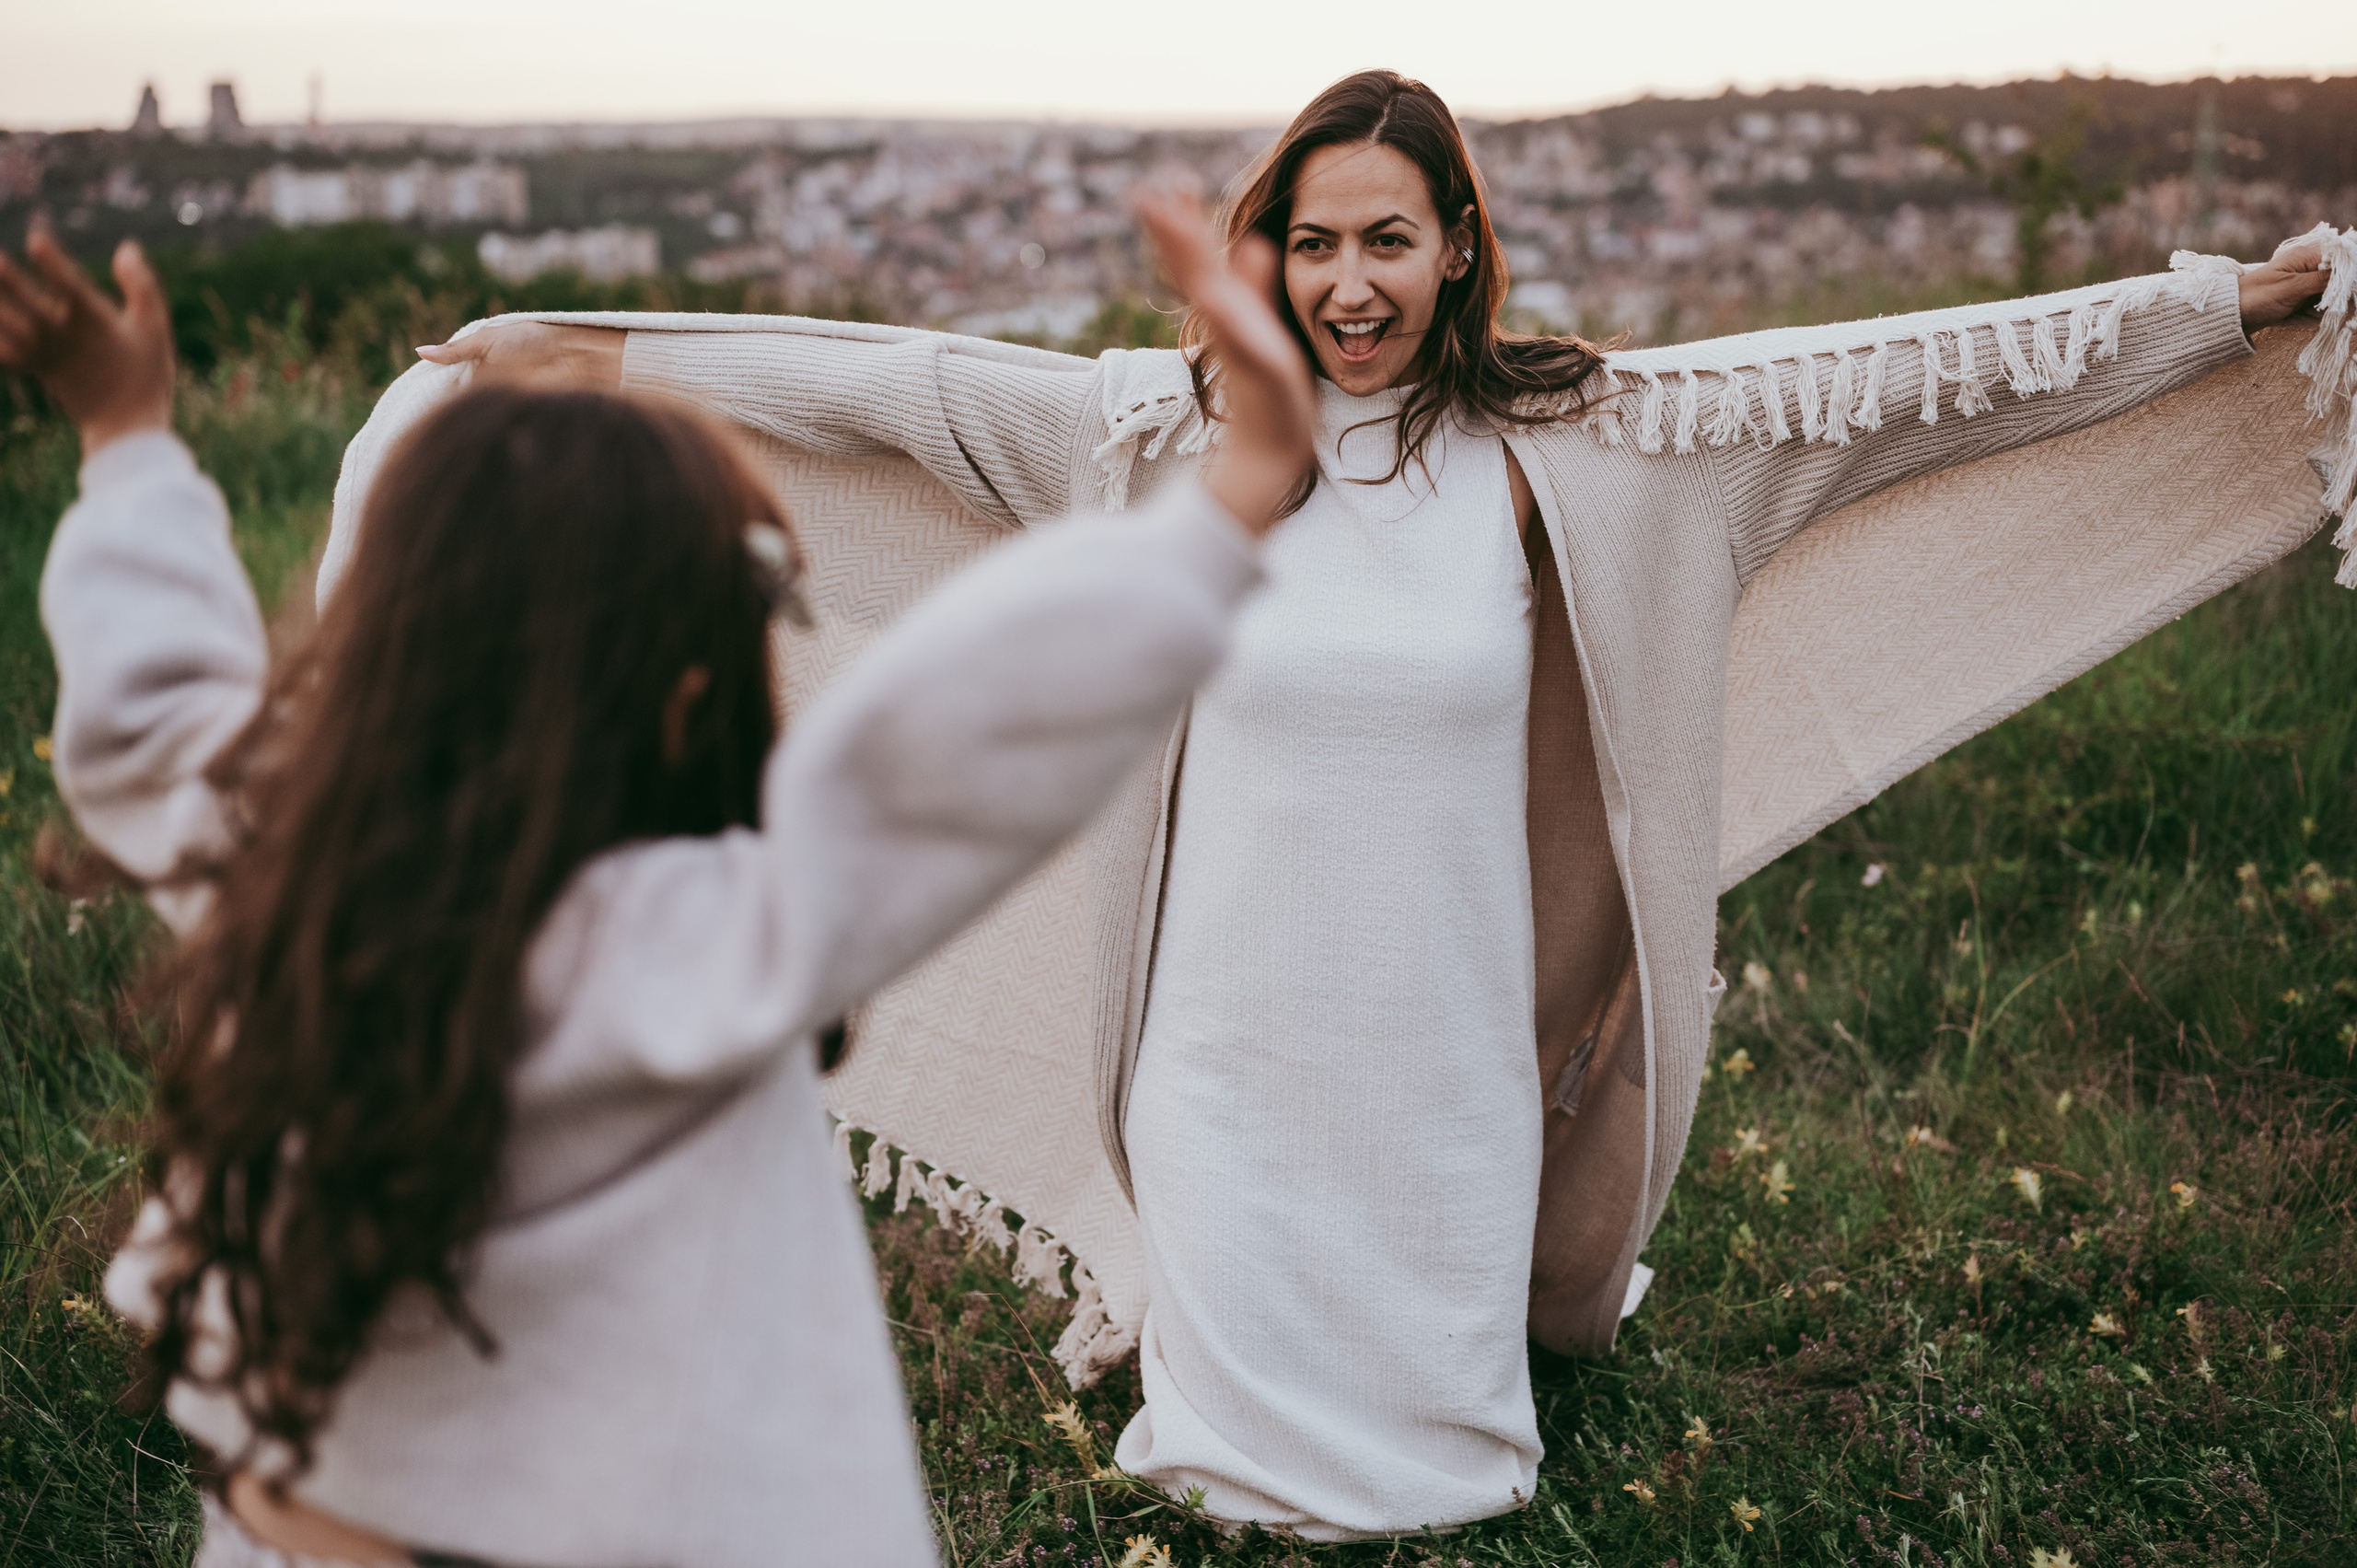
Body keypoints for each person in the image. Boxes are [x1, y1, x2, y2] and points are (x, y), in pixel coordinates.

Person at [396, 69, 2344, 1543]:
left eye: (1386, 241)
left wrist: (2221, 314)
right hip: (1219, 1046)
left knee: (1459, 1469)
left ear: (1456, 249)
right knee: (1224, 1474)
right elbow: (878, 386)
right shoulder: (1138, 439)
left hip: (1450, 1054)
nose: (1346, 286)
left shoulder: (1601, 451)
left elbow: (1913, 380)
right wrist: (576, 360)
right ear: (1262, 252)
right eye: (1309, 243)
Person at [0, 187, 1315, 1568]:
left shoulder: (289, 863)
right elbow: (951, 743)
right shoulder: (688, 946)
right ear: (690, 681)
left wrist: (127, 439)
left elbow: (152, 710)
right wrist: (1230, 496)